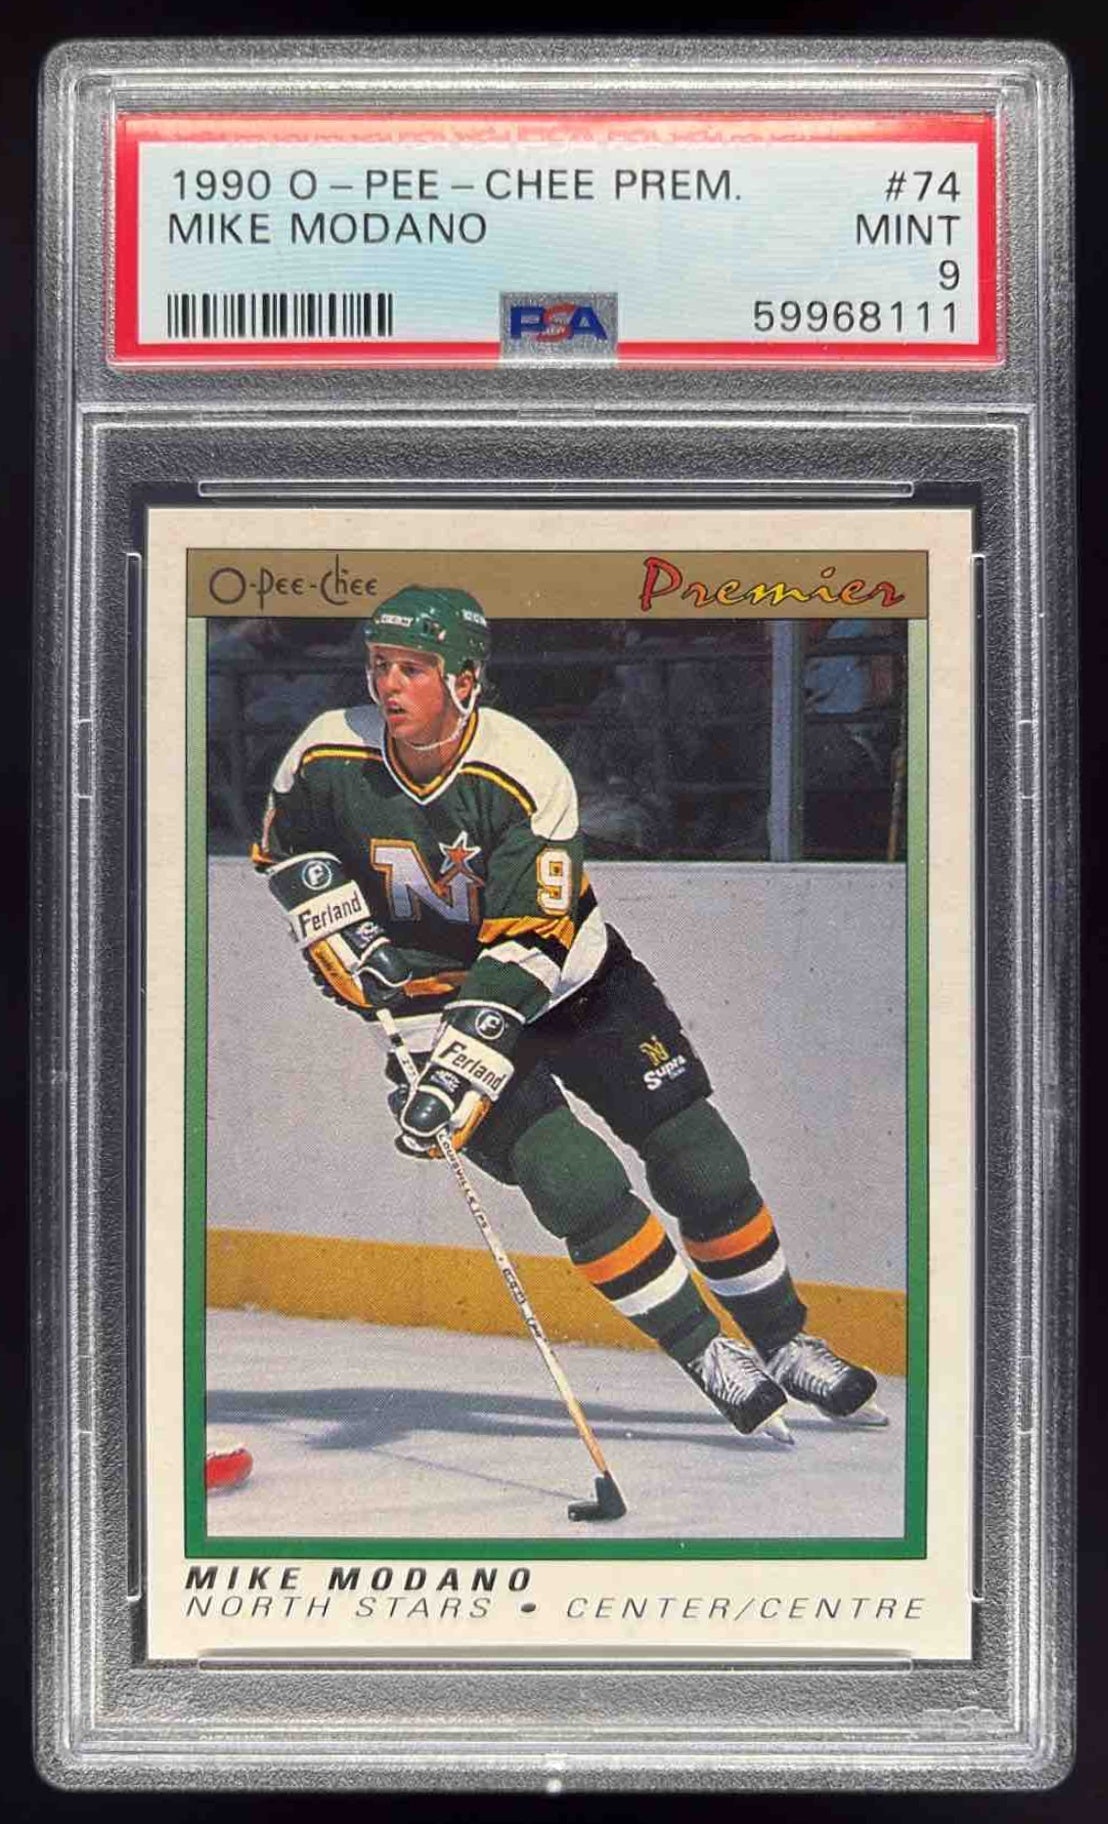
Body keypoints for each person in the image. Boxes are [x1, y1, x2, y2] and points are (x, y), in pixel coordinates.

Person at [252, 586, 885, 1440]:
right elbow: (286, 854)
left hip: (570, 984)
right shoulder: (325, 753)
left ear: (466, 679)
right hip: (434, 1008)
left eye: (413, 668)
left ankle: (784, 1339)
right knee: (572, 1179)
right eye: (380, 665)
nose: (388, 685)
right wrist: (329, 930)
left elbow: (531, 940)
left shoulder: (524, 769)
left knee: (702, 1160)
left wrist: (467, 1060)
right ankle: (705, 1350)